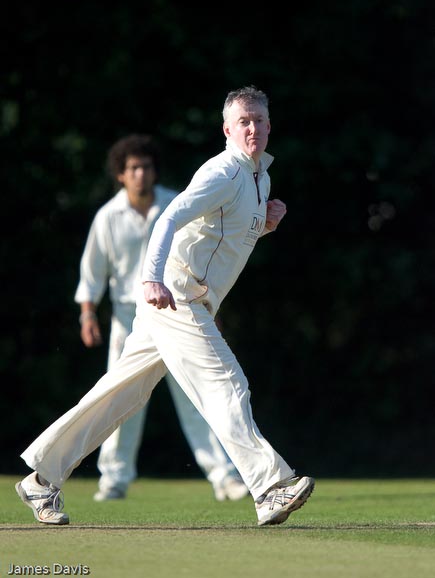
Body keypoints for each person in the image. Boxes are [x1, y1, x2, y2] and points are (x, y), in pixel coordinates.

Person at [15, 86, 315, 527]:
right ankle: (270, 486)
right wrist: (152, 278)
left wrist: (265, 224)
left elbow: (223, 238)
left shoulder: (259, 179)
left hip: (186, 302)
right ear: (227, 130)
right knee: (226, 383)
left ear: (269, 126)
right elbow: (169, 217)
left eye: (258, 121)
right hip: (177, 297)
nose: (252, 128)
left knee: (119, 395)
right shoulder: (223, 171)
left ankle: (41, 479)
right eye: (243, 122)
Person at [74, 133, 248, 502]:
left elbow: (201, 255)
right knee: (121, 396)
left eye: (146, 167)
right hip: (128, 317)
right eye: (133, 168)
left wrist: (209, 308)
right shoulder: (108, 217)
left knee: (197, 393)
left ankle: (224, 476)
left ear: (154, 171)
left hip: (179, 308)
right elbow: (93, 272)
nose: (141, 174)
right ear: (121, 174)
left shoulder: (174, 203)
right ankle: (114, 478)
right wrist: (87, 314)